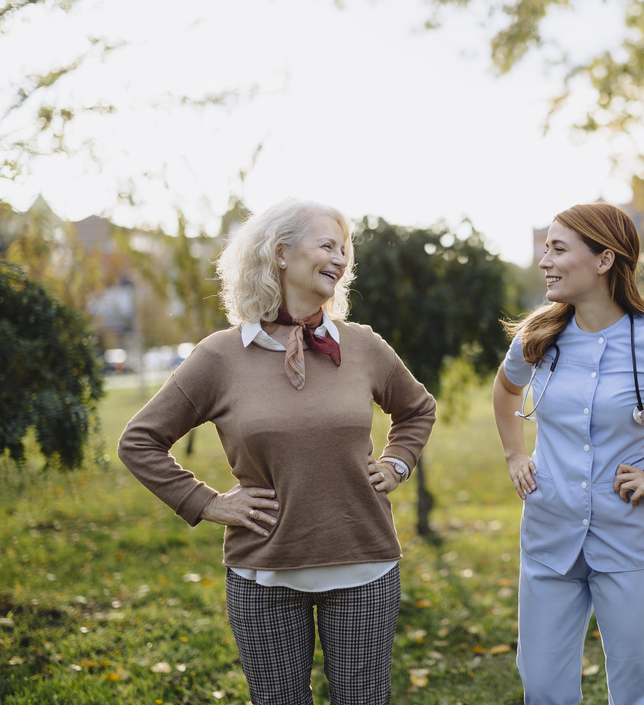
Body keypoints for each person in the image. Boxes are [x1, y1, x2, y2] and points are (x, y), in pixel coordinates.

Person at [118, 199, 436, 705]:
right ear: (281, 253)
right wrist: (205, 502)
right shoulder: (219, 356)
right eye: (327, 245)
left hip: (363, 564)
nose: (340, 258)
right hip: (263, 570)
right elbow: (139, 441)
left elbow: (418, 410)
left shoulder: (364, 346)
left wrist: (397, 462)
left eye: (345, 249)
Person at [492, 203, 644, 705]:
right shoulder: (537, 336)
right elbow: (505, 391)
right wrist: (515, 455)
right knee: (542, 687)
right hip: (549, 537)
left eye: (559, 249)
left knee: (636, 692)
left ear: (605, 260)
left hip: (629, 543)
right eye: (546, 249)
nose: (545, 261)